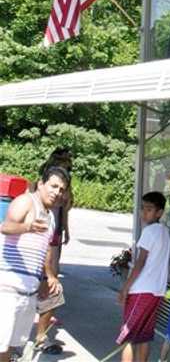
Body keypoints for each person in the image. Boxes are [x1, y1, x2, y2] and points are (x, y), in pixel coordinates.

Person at [0, 166, 69, 362]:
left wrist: (47, 277)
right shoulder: (26, 201)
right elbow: (5, 227)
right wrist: (27, 227)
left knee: (11, 348)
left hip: (28, 292)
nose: (57, 192)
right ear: (41, 184)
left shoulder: (51, 216)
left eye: (62, 189)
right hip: (8, 289)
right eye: (53, 186)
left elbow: (44, 250)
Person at [116, 192, 170, 362]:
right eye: (143, 208)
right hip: (156, 291)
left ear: (159, 213)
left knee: (128, 336)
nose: (144, 213)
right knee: (144, 336)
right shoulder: (165, 232)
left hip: (141, 290)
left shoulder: (149, 232)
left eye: (149, 209)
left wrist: (125, 288)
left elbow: (140, 262)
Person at [34, 148, 74, 354]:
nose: (57, 192)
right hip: (28, 258)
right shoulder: (30, 201)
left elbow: (66, 208)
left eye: (61, 188)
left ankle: (41, 336)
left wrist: (65, 228)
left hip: (53, 236)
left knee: (52, 287)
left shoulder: (62, 191)